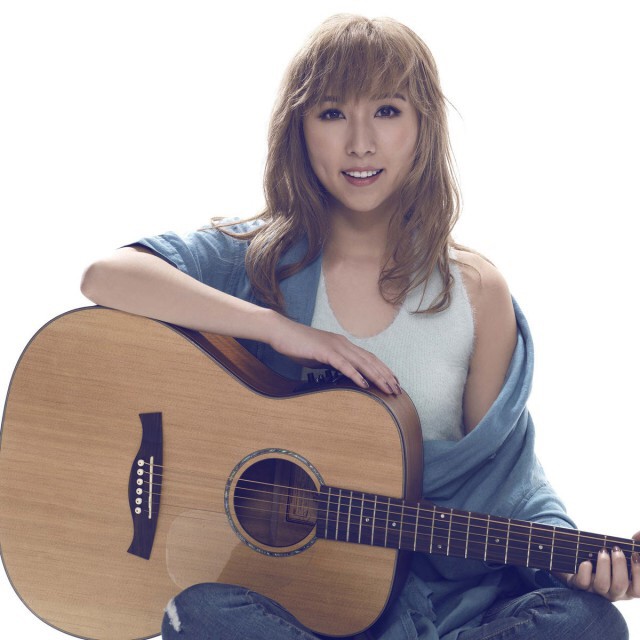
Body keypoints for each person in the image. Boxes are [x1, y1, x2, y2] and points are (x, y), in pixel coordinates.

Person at [80, 13, 638, 640]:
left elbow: (507, 479)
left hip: (454, 608)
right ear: (299, 130)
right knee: (200, 612)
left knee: (589, 623)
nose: (361, 143)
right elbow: (107, 276)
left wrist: (575, 560)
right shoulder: (257, 262)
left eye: (388, 111)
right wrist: (278, 329)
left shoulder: (477, 291)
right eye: (332, 113)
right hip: (299, 605)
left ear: (423, 127)